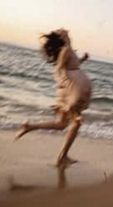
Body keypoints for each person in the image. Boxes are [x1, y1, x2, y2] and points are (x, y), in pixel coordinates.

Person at [14, 29, 92, 167]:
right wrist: (69, 94)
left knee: (62, 124)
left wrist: (82, 59)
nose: (66, 30)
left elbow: (71, 65)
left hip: (71, 90)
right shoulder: (66, 50)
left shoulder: (67, 50)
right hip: (74, 90)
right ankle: (63, 157)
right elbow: (60, 69)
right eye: (63, 31)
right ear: (61, 37)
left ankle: (30, 127)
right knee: (76, 123)